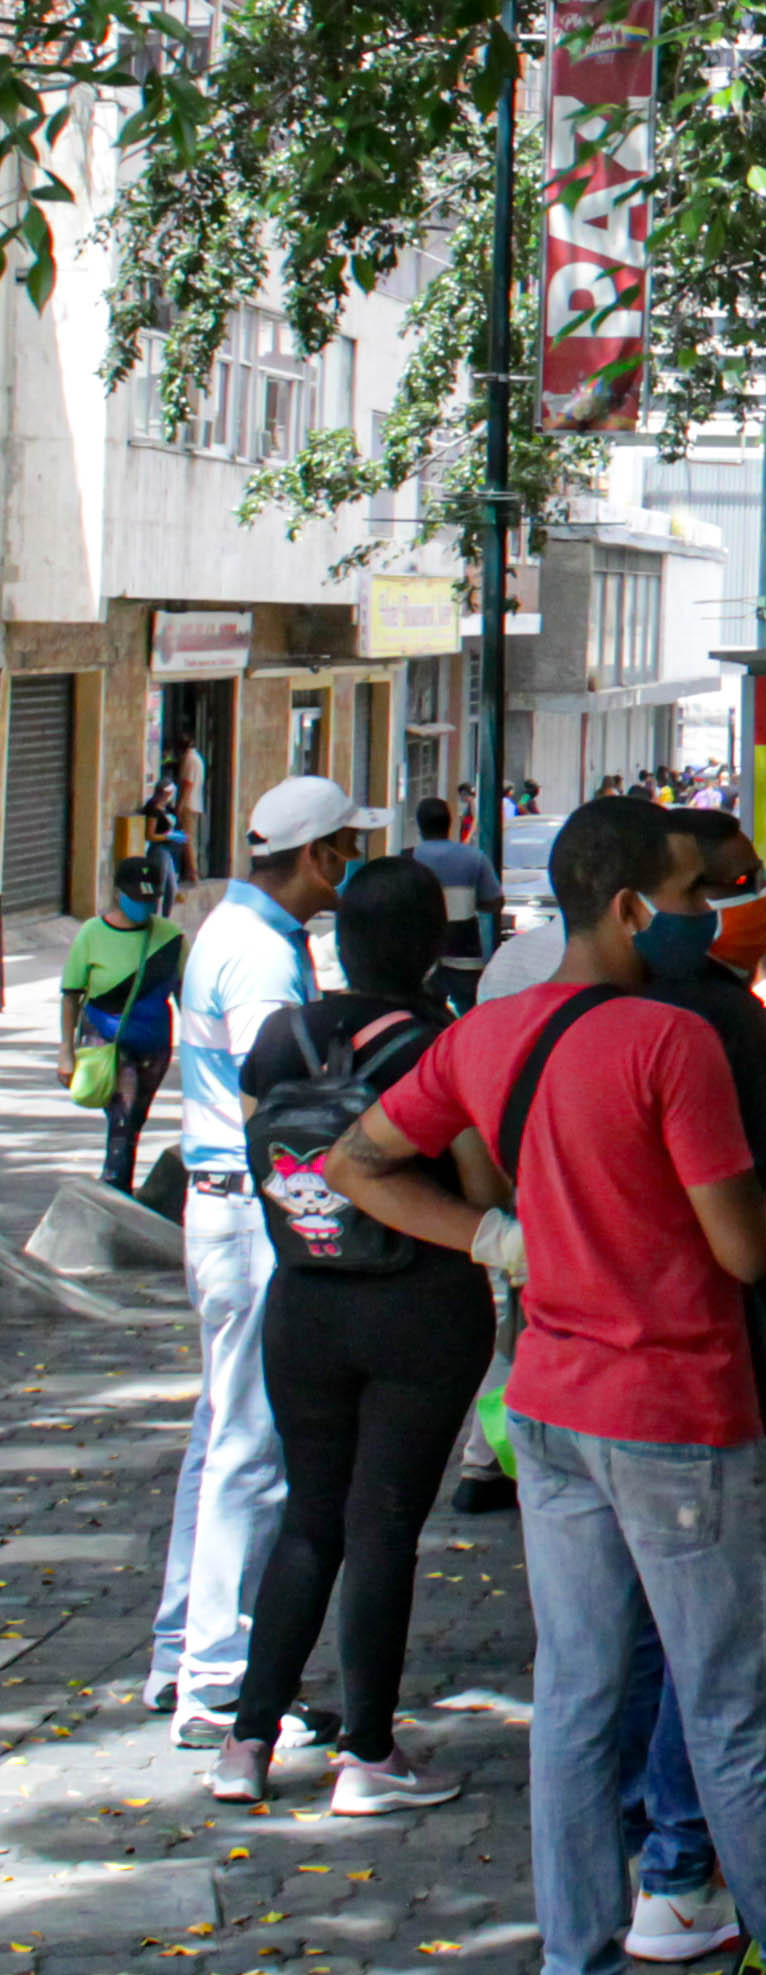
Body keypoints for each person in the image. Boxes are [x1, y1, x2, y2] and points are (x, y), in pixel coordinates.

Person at [318, 795, 766, 1975]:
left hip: (547, 1404)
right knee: (732, 1708)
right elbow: (744, 1246)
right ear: (636, 904)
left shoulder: (487, 1034)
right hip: (679, 1410)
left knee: (580, 1701)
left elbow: (359, 1161)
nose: (709, 915)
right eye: (695, 892)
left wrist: (493, 1236)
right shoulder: (673, 1041)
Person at [219, 853, 484, 1814]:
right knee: (383, 1526)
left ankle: (247, 1740)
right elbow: (480, 1181)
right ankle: (367, 1753)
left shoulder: (280, 1036)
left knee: (308, 1516)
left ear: (339, 937)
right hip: (419, 1305)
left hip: (304, 1303)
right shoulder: (437, 1045)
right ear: (430, 943)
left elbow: (268, 1162)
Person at [154, 777, 374, 1732]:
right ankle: (217, 1682)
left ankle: (183, 1651)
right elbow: (277, 1105)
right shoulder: (257, 957)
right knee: (251, 1449)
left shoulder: (239, 935)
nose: (353, 869)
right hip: (248, 1215)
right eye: (349, 849)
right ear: (319, 855)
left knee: (221, 1439)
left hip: (222, 1211)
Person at [62, 844, 186, 1194]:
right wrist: (66, 1050)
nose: (144, 905)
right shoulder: (92, 933)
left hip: (155, 1044)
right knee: (123, 1115)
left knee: (134, 1119)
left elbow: (185, 996)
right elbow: (71, 994)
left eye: (151, 898)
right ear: (119, 894)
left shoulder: (171, 938)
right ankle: (115, 1186)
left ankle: (121, 1184)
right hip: (108, 1038)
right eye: (137, 897)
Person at [407, 795, 504, 1012]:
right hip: (464, 950)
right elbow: (496, 901)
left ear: (420, 826)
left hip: (421, 954)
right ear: (450, 823)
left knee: (423, 1014)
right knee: (468, 1013)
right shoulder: (473, 857)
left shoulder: (407, 859)